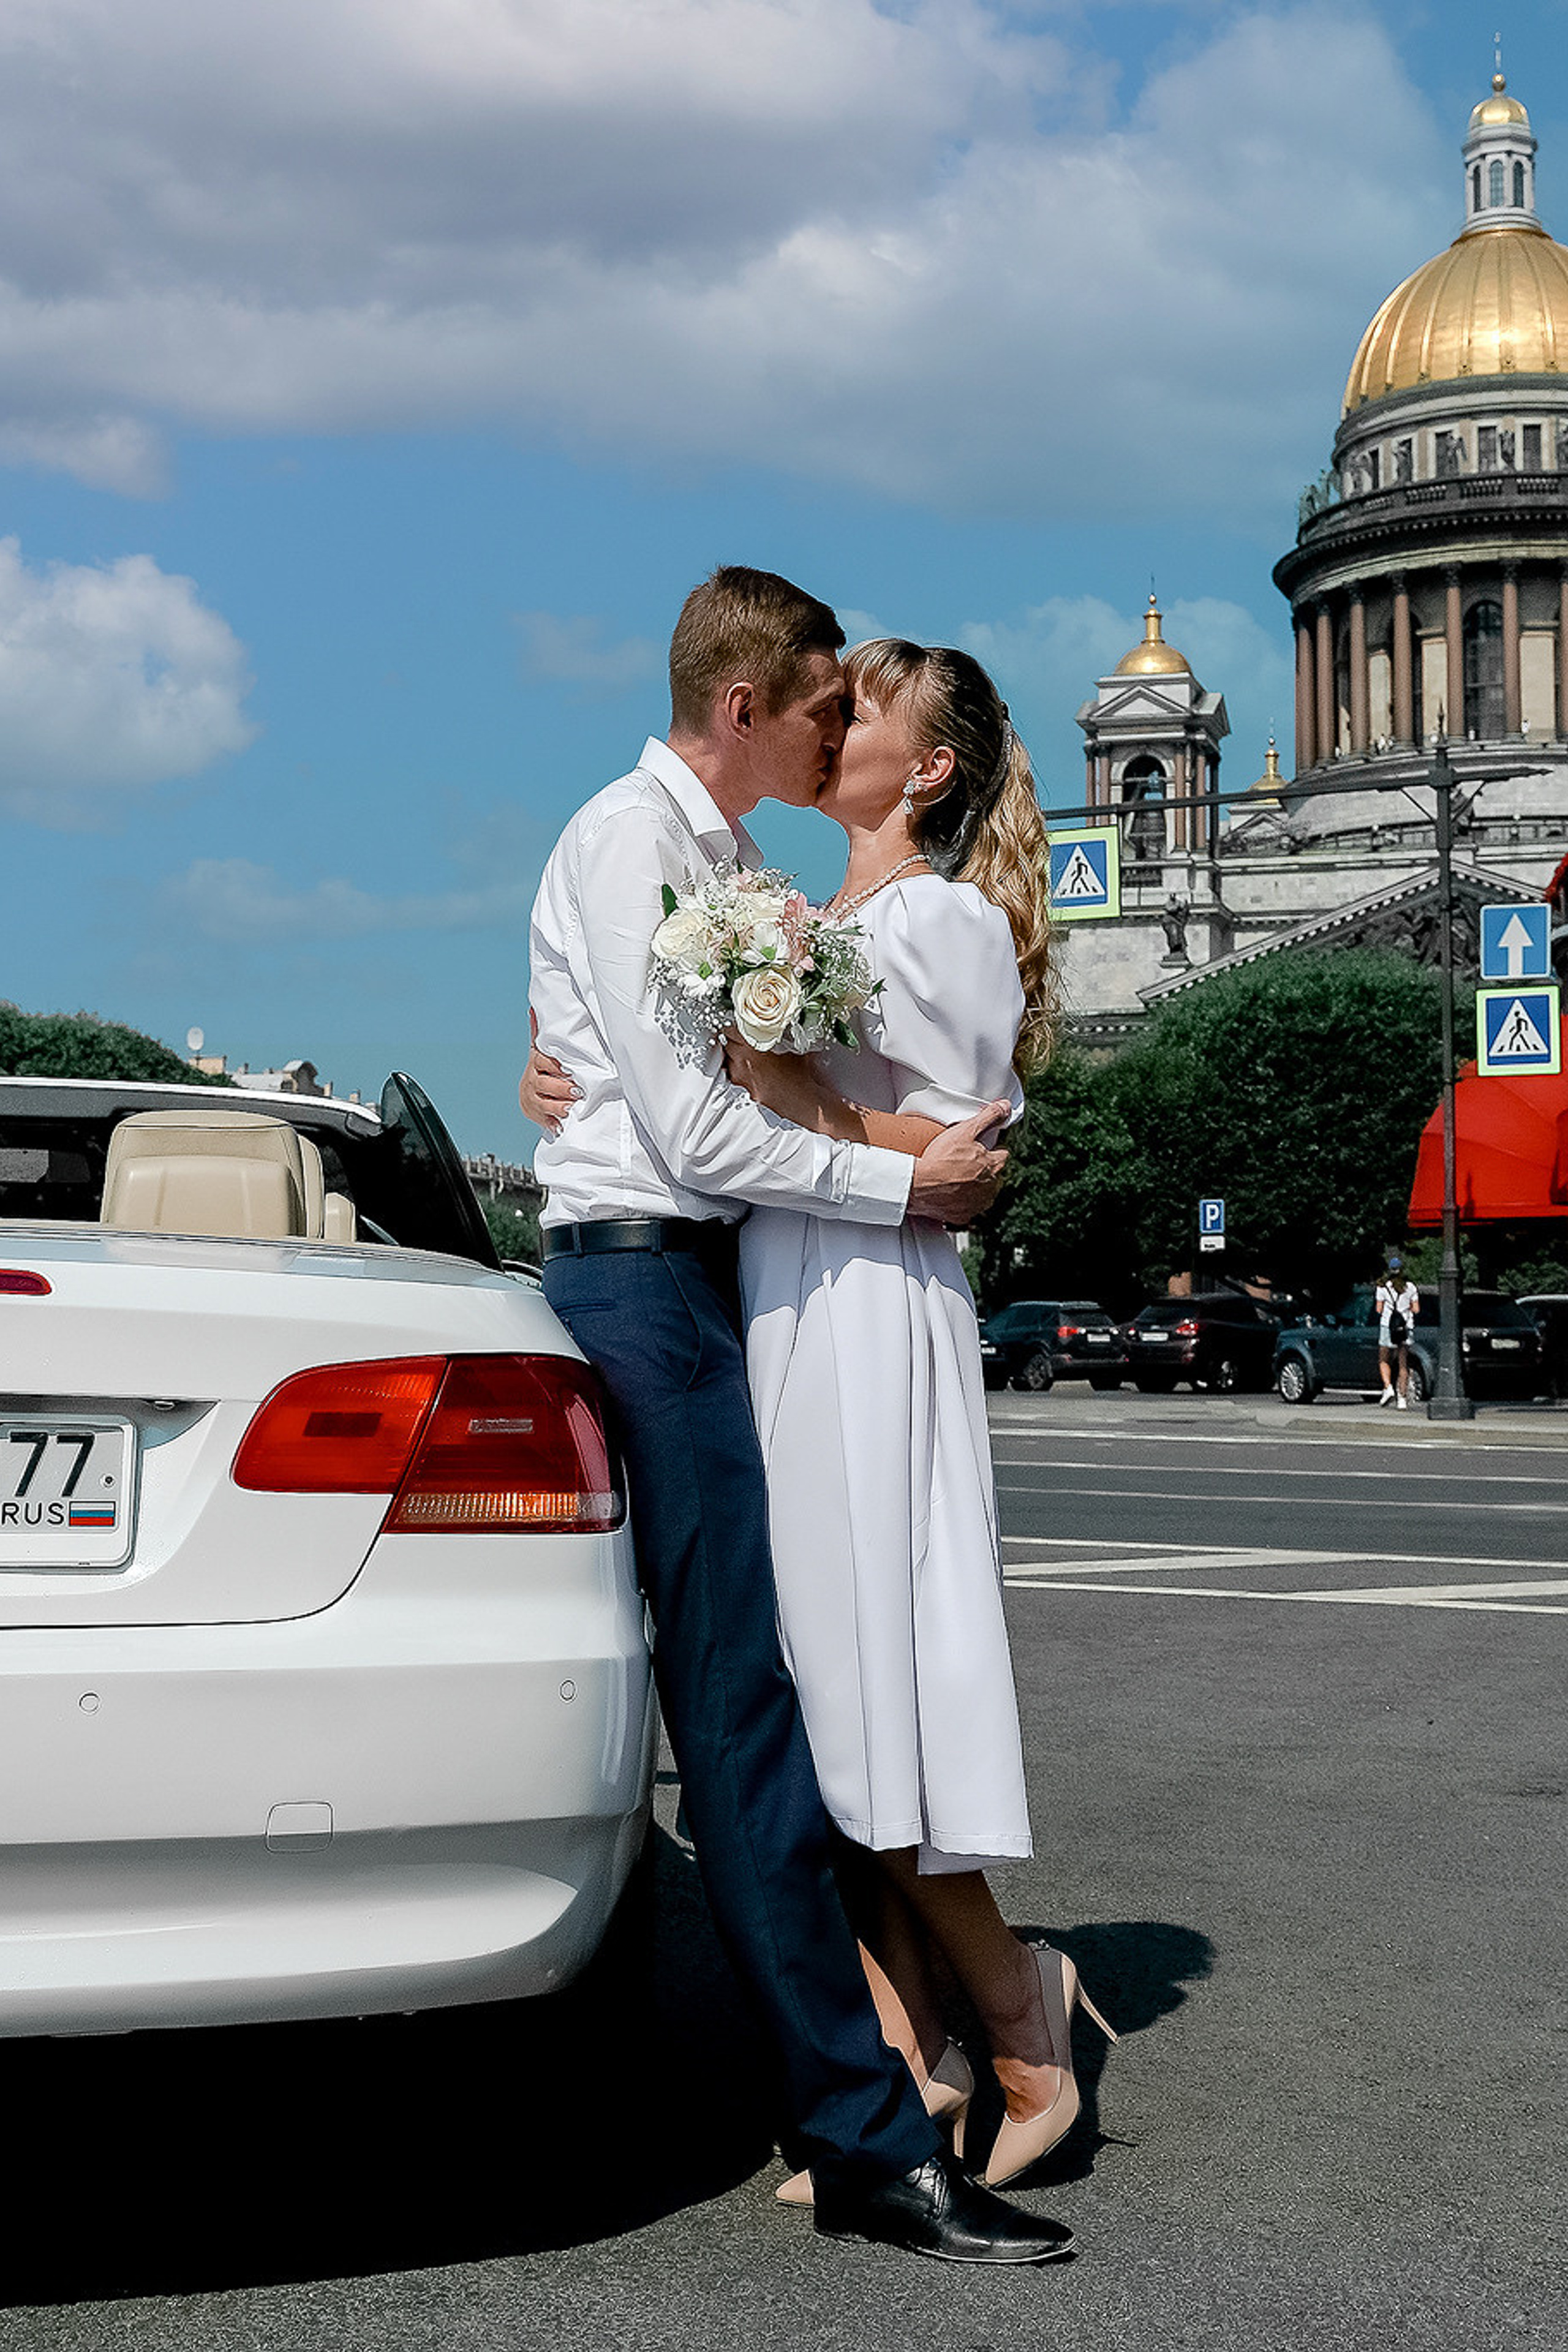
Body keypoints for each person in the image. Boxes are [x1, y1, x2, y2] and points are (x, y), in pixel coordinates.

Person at [524, 567, 1071, 2266]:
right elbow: (698, 1128)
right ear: (748, 706)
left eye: (864, 711)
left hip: (740, 1282)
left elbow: (755, 1087)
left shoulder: (733, 870)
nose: (839, 727)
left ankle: (886, 2086)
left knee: (778, 1698)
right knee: (757, 1708)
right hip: (669, 1277)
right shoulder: (640, 841)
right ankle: (870, 2118)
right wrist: (903, 1180)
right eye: (827, 701)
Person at [722, 641, 1116, 2196]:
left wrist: (770, 1084)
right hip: (794, 1290)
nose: (830, 721)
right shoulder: (808, 921)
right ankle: (913, 2055)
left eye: (861, 706)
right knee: (835, 1687)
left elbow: (952, 1154)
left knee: (857, 1681)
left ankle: (1012, 2016)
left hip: (871, 1305)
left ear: (929, 768)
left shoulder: (939, 920)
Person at [1375, 1256, 1420, 1408]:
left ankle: (1388, 1387)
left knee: (1384, 1359)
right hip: (1406, 1327)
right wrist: (1405, 1308)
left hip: (1388, 1326)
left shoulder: (1383, 1287)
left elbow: (1379, 1309)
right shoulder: (1410, 1287)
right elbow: (1416, 1309)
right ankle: (1402, 1398)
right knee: (1403, 1363)